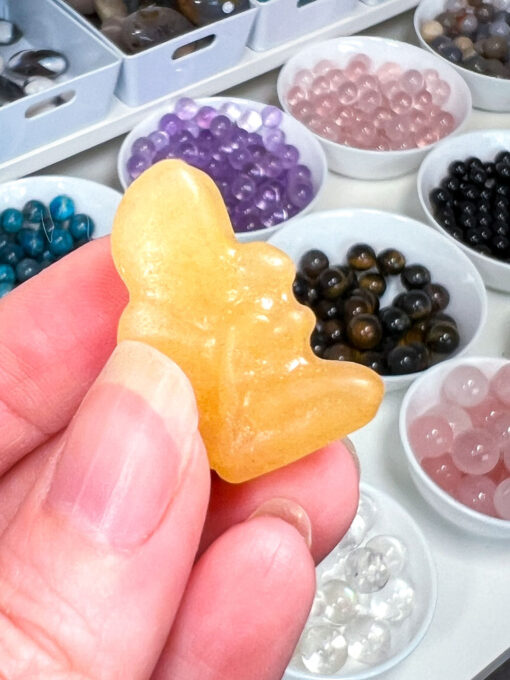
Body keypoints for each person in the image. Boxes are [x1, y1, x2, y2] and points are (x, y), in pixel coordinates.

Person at [0, 238, 359, 679]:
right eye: (272, 298)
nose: (299, 313)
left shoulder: (272, 386)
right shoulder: (166, 335)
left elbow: (339, 396)